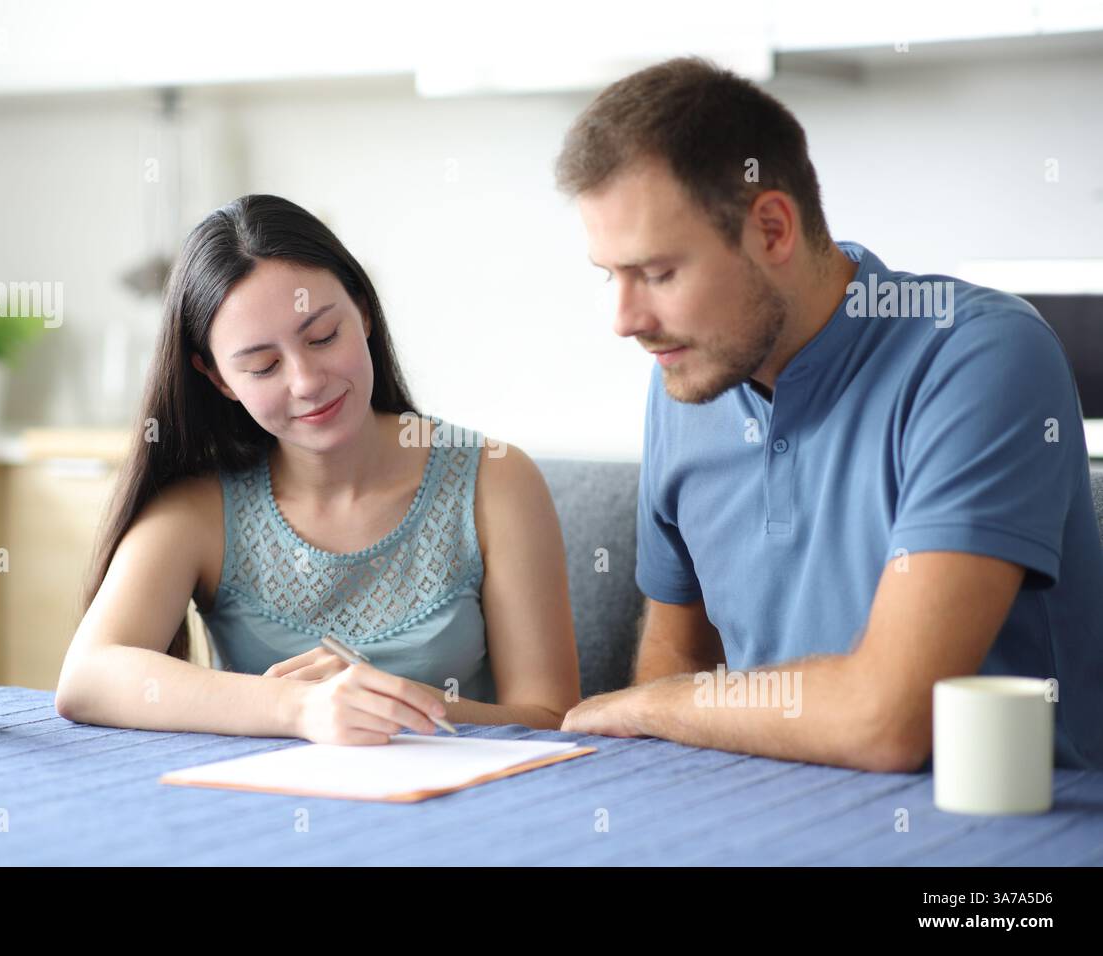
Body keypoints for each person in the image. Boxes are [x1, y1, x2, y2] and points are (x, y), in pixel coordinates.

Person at [555, 57, 1103, 771]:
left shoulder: (982, 356)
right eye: (610, 276)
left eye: (658, 274)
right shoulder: (687, 378)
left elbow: (889, 718)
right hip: (762, 813)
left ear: (774, 229)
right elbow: (679, 655)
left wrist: (646, 705)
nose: (625, 320)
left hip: (999, 827)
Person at [56, 195, 580, 745]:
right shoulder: (199, 509)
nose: (306, 381)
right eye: (262, 365)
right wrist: (297, 708)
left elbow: (552, 717)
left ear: (364, 310)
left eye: (324, 336)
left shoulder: (494, 481)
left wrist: (384, 702)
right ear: (218, 380)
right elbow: (88, 677)